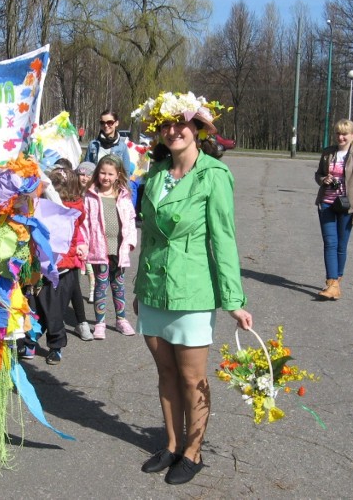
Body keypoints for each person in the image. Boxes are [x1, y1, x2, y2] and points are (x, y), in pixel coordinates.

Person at [131, 91, 252, 485]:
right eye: (165, 124)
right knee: (165, 373)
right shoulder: (155, 174)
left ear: (197, 127)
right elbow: (148, 236)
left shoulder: (213, 175)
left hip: (192, 291)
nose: (173, 130)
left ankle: (193, 451)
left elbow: (225, 239)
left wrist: (233, 300)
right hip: (153, 289)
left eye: (180, 122)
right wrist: (138, 285)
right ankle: (170, 443)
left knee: (191, 377)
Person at [30, 167, 89, 364]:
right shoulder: (42, 206)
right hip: (42, 267)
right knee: (35, 306)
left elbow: (75, 219)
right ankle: (30, 339)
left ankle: (55, 345)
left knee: (55, 310)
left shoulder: (73, 210)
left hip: (63, 270)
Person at [81, 155, 137, 339]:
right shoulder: (90, 196)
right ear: (97, 173)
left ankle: (121, 320)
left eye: (110, 174)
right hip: (100, 248)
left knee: (119, 285)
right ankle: (99, 323)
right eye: (103, 173)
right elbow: (85, 222)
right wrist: (84, 244)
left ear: (118, 175)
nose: (106, 177)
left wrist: (130, 241)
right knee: (101, 285)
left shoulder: (123, 195)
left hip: (119, 248)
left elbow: (130, 219)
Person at [314, 118, 353, 300]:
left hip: (347, 206)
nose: (341, 137)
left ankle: (336, 280)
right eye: (338, 133)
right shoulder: (328, 153)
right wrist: (324, 179)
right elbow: (318, 174)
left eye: (345, 134)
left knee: (341, 245)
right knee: (330, 243)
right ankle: (332, 283)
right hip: (327, 204)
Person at [84, 110, 131, 176]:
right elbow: (86, 167)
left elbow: (126, 172)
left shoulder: (122, 147)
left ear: (116, 123)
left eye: (109, 122)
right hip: (96, 184)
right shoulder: (93, 145)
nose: (105, 125)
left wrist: (125, 186)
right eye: (102, 122)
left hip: (114, 185)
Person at [75, 161, 96, 303]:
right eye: (81, 174)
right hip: (78, 232)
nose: (84, 178)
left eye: (88, 175)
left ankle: (93, 290)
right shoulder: (73, 191)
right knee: (82, 263)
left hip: (91, 233)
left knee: (90, 266)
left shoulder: (94, 193)